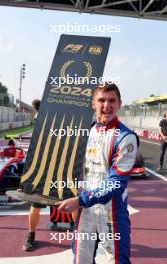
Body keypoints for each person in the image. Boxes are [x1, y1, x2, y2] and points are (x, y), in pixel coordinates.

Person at [55, 83, 138, 264]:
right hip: (86, 211)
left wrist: (79, 201)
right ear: (93, 103)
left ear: (119, 104)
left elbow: (116, 184)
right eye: (101, 100)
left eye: (111, 100)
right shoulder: (86, 132)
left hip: (112, 212)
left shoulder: (126, 137)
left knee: (117, 261)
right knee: (81, 259)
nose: (106, 105)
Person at [22, 99, 47, 251]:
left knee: (71, 203)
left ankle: (78, 234)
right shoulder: (41, 118)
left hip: (64, 165)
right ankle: (31, 235)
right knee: (35, 204)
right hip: (43, 167)